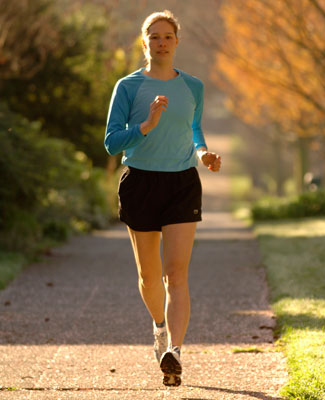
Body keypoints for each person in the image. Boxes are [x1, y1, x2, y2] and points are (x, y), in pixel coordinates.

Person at [104, 10, 221, 387]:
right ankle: (158, 327)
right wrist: (146, 126)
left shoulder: (193, 87)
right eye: (154, 36)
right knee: (149, 276)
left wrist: (203, 153)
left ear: (177, 41)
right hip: (140, 181)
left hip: (182, 183)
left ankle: (175, 351)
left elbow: (195, 128)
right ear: (145, 42)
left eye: (168, 36)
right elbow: (111, 142)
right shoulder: (127, 87)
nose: (161, 42)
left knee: (177, 274)